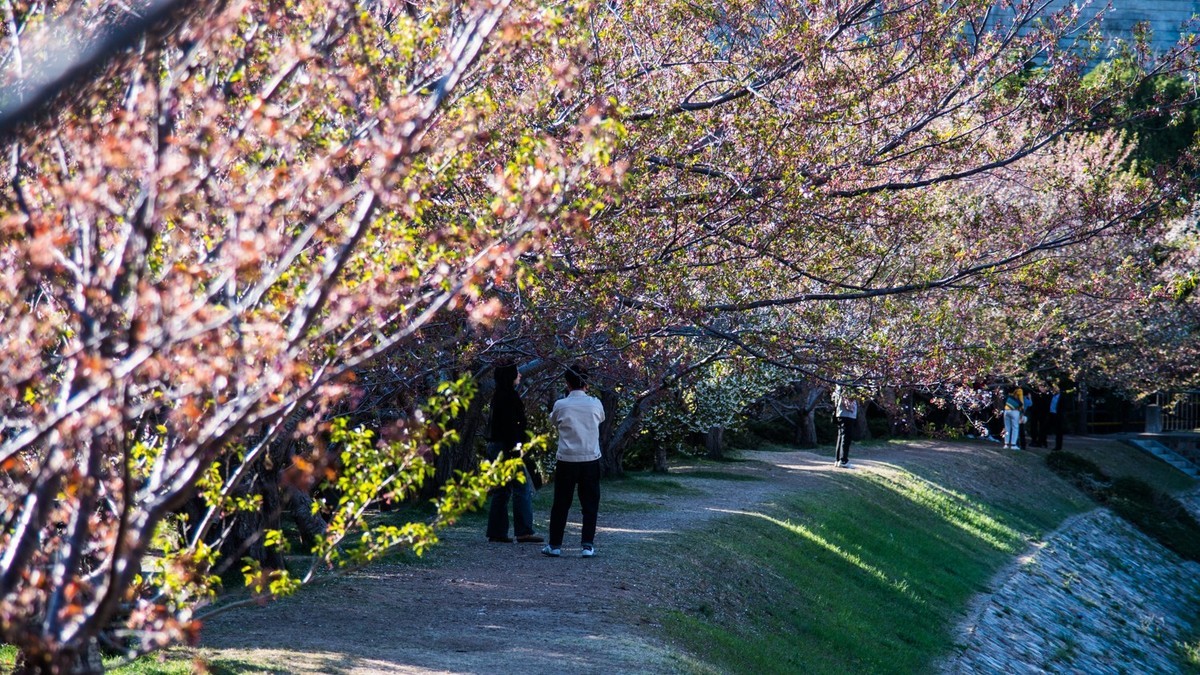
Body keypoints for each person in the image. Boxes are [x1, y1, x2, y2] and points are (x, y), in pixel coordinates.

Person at [543, 364, 606, 558]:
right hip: (590, 458)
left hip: (567, 459)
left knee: (561, 503)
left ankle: (555, 545)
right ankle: (587, 545)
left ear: (567, 383)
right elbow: (601, 420)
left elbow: (553, 421)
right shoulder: (595, 404)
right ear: (586, 383)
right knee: (590, 503)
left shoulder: (561, 405)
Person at [484, 363, 543, 544]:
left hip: (496, 445)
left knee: (502, 489)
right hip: (507, 447)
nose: (519, 375)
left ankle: (497, 531)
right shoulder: (509, 397)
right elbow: (511, 427)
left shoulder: (498, 396)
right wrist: (517, 450)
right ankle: (524, 531)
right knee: (521, 488)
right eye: (516, 373)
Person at [832, 386, 858, 468]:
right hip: (847, 415)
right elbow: (848, 402)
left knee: (841, 437)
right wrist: (851, 407)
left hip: (840, 414)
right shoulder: (847, 385)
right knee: (846, 438)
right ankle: (843, 460)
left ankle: (838, 460)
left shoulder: (838, 387)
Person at [1002, 383, 1024, 450]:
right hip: (1015, 410)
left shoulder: (1007, 389)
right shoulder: (1019, 390)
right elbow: (1021, 401)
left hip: (1006, 409)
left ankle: (1006, 444)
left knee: (1007, 427)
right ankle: (1013, 444)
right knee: (1015, 427)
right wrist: (1022, 411)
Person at [1049, 386, 1064, 451]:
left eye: (1056, 388)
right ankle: (1042, 442)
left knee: (1059, 431)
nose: (1054, 390)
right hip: (1051, 414)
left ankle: (1058, 446)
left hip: (1058, 415)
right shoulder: (1052, 396)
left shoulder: (1062, 397)